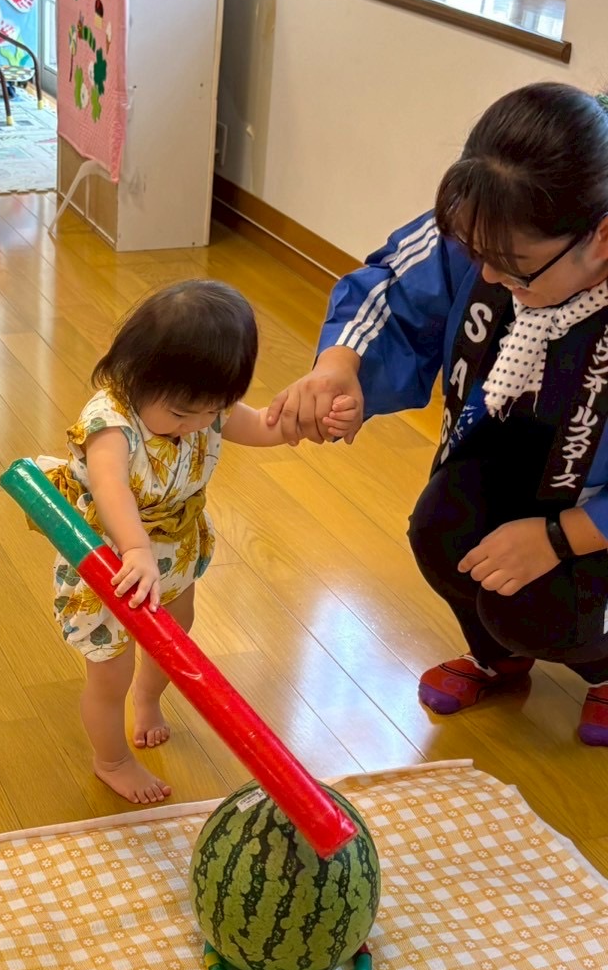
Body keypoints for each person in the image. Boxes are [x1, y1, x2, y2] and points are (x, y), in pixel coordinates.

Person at [269, 82, 608, 747]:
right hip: (518, 448)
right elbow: (392, 290)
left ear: (602, 238)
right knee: (441, 530)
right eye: (478, 254)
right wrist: (340, 367)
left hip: (596, 503)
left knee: (540, 607)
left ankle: (602, 670)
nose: (486, 273)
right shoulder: (488, 227)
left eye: (515, 270)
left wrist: (563, 536)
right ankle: (499, 661)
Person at [44, 280, 355, 804]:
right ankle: (112, 759)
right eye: (183, 414)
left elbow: (259, 426)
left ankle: (149, 701)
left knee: (175, 637)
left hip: (174, 553)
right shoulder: (111, 423)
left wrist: (310, 424)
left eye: (212, 411)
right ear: (133, 374)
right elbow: (110, 486)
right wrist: (137, 549)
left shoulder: (204, 406)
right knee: (108, 673)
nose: (198, 426)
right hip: (112, 566)